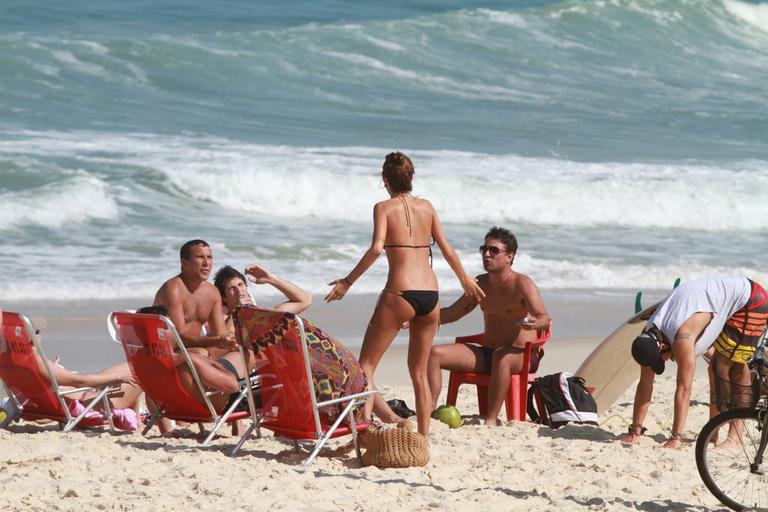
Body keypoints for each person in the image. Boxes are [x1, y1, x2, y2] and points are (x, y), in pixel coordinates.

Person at [325, 151, 485, 438]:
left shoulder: (383, 208)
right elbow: (446, 248)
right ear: (411, 179)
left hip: (400, 293)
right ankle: (423, 439)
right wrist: (464, 280)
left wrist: (347, 282)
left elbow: (376, 249)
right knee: (419, 373)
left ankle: (364, 431)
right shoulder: (427, 206)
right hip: (430, 295)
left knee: (366, 367)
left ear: (385, 180)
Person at [621, 277, 768, 448]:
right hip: (718, 303)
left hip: (751, 300)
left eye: (664, 357)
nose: (667, 360)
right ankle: (712, 433)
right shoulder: (647, 335)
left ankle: (734, 438)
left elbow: (684, 389)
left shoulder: (682, 337)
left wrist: (676, 438)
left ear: (661, 345)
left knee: (733, 368)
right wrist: (635, 430)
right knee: (715, 368)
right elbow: (645, 384)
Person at [214, 265, 371, 424]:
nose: (238, 290)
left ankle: (369, 410)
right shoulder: (228, 324)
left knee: (346, 372)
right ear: (224, 299)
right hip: (280, 382)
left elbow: (305, 299)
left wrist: (271, 279)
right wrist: (238, 311)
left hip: (306, 372)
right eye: (231, 289)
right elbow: (228, 339)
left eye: (241, 285)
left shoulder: (272, 315)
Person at [427, 226, 550, 425]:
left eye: (494, 250)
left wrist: (532, 323)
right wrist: (421, 319)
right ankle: (429, 414)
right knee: (434, 354)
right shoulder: (480, 284)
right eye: (484, 249)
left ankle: (490, 420)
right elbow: (453, 312)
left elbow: (544, 317)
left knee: (502, 357)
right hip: (488, 353)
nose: (486, 254)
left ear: (510, 256)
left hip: (522, 356)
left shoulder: (522, 284)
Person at [0, 307, 140, 430]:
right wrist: (118, 378)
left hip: (68, 402)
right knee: (139, 371)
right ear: (32, 339)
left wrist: (54, 370)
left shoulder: (9, 361)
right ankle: (139, 420)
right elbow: (79, 382)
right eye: (37, 331)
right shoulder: (39, 364)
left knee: (131, 367)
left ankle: (138, 418)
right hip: (84, 410)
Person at [153, 239, 236, 358]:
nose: (206, 262)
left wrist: (229, 342)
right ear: (184, 263)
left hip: (195, 352)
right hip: (169, 353)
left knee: (243, 351)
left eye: (209, 257)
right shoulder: (173, 289)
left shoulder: (212, 292)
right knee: (203, 353)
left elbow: (221, 334)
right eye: (199, 257)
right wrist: (218, 342)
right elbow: (178, 337)